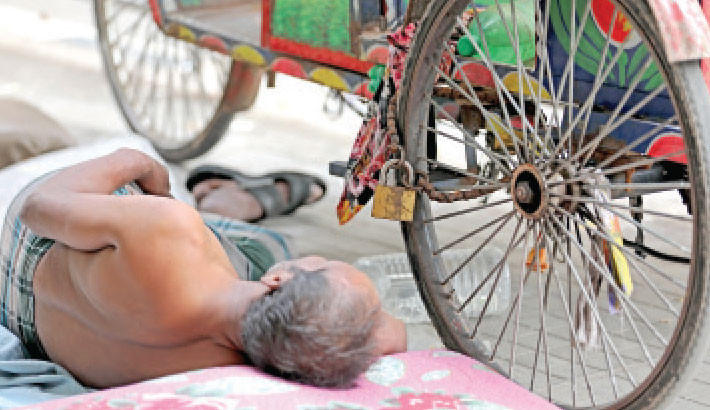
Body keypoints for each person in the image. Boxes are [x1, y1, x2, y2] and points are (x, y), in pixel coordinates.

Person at [0, 148, 407, 389]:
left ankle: (230, 203)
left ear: (278, 280)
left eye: (326, 264)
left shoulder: (168, 233)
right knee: (263, 246)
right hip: (37, 329)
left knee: (270, 246)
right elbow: (397, 334)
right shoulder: (239, 368)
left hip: (28, 251)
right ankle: (236, 204)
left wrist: (135, 162)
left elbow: (37, 208)